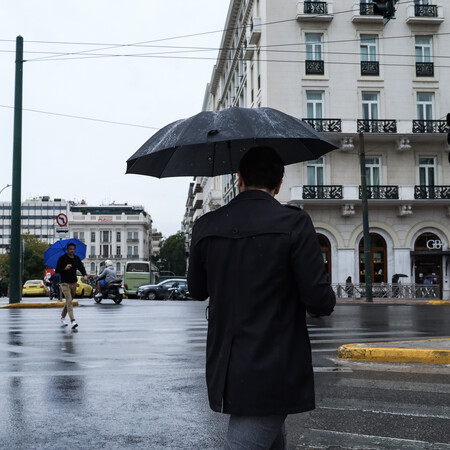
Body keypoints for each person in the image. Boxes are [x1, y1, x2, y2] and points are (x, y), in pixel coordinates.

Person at [188, 146, 336, 449]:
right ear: (278, 184)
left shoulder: (206, 225)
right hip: (275, 361)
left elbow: (196, 289)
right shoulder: (293, 223)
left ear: (239, 178)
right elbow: (319, 301)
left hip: (226, 360)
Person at [55, 243, 87, 329]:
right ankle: (73, 321)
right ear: (67, 249)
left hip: (73, 283)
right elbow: (57, 270)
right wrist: (65, 268)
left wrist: (84, 275)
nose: (72, 250)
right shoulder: (62, 258)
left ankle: (62, 317)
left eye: (73, 249)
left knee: (69, 301)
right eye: (70, 249)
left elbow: (81, 267)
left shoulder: (77, 259)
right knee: (69, 300)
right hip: (64, 283)